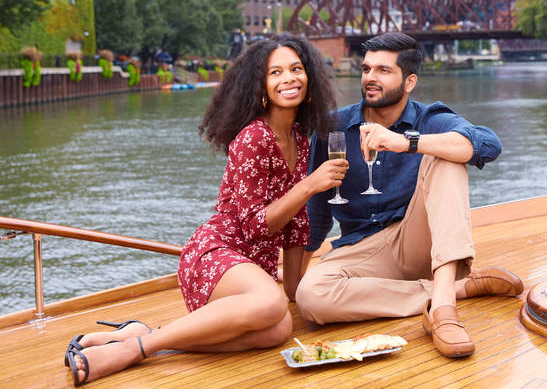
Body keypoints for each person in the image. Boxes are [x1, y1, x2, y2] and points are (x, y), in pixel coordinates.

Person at [63, 35, 348, 386]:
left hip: (252, 276)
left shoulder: (301, 139)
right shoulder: (252, 138)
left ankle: (148, 336)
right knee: (272, 305)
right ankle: (133, 350)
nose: (288, 78)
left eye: (296, 69)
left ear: (310, 80)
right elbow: (256, 226)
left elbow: (293, 226)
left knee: (281, 328)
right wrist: (309, 186)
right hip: (214, 255)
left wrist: (300, 292)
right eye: (276, 72)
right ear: (260, 86)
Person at [295, 32, 523, 358]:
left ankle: (443, 310)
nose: (371, 78)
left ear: (409, 81)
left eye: (384, 71)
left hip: (418, 240)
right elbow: (318, 213)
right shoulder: (333, 127)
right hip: (362, 247)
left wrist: (407, 143)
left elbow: (489, 144)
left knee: (449, 154)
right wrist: (296, 272)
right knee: (310, 297)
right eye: (367, 69)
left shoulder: (428, 118)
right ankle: (458, 287)